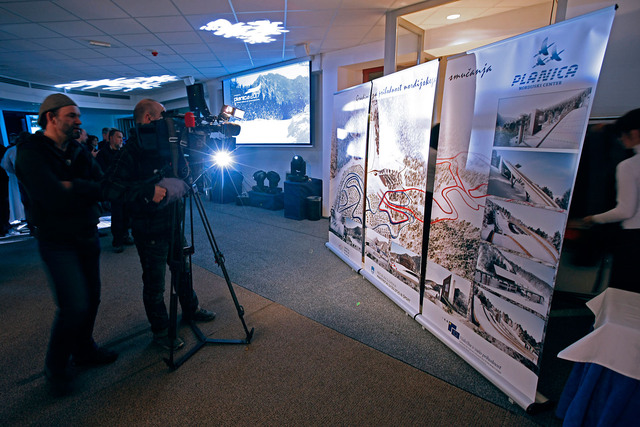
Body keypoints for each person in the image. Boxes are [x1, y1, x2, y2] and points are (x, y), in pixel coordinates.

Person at [14, 94, 118, 396]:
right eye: (72, 115)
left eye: (78, 116)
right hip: (56, 241)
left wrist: (74, 186)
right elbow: (51, 195)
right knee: (73, 305)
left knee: (92, 299)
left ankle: (84, 350)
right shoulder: (30, 153)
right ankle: (56, 369)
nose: (78, 121)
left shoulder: (77, 149)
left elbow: (100, 185)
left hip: (86, 233)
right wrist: (75, 188)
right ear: (51, 117)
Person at [102, 99, 216, 350]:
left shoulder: (169, 146)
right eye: (163, 115)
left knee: (183, 270)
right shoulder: (131, 150)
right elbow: (109, 188)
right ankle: (161, 332)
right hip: (149, 229)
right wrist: (147, 190)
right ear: (149, 119)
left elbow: (184, 175)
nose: (168, 121)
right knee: (155, 283)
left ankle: (190, 309)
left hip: (174, 222)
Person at [583, 108, 640, 293]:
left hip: (634, 240)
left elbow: (625, 211)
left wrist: (594, 219)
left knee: (624, 296)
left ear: (634, 133)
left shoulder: (629, 166)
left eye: (622, 135)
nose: (621, 141)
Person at [96, 128, 132, 252]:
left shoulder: (124, 152)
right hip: (114, 190)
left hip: (126, 188)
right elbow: (103, 172)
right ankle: (117, 240)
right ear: (111, 138)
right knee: (117, 216)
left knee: (127, 213)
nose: (121, 140)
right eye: (118, 137)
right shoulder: (103, 154)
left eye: (122, 137)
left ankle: (126, 235)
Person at [1, 131, 28, 224]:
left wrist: (12, 172)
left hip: (15, 177)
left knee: (19, 198)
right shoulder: (30, 150)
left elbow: (5, 164)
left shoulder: (11, 150)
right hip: (27, 178)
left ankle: (24, 217)